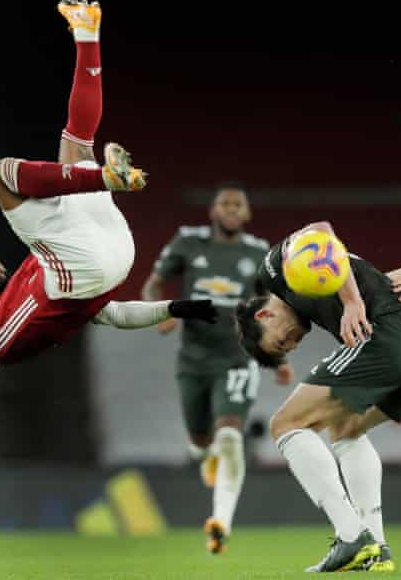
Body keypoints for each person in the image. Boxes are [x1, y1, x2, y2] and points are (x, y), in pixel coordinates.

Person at [0, 0, 217, 502]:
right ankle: (103, 175)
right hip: (88, 265)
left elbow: (112, 315)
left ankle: (86, 33)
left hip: (100, 249)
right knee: (0, 174)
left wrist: (178, 307)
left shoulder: (31, 264)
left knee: (75, 141)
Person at [235, 220, 401, 573]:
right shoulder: (319, 284)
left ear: (264, 313)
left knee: (285, 424)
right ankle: (376, 549)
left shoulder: (274, 271)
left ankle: (351, 536)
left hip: (389, 338)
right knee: (346, 430)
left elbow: (320, 229)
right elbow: (394, 276)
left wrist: (350, 302)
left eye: (281, 341)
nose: (293, 343)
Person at [141, 184, 294, 554]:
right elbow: (154, 282)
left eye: (237, 204)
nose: (230, 209)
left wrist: (279, 357)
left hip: (237, 358)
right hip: (193, 359)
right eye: (224, 203)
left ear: (246, 213)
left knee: (229, 436)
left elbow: (273, 308)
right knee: (199, 442)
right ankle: (204, 456)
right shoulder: (188, 243)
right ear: (212, 211)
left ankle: (220, 522)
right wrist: (158, 311)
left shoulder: (258, 252)